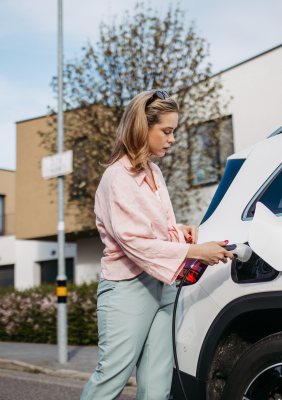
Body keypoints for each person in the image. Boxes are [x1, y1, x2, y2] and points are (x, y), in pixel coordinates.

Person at [80, 90, 234, 400]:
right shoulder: (116, 177)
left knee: (157, 379)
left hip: (162, 282)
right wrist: (196, 251)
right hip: (127, 288)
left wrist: (181, 231)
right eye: (166, 130)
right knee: (113, 376)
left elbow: (156, 229)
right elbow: (134, 241)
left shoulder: (155, 173)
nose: (173, 138)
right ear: (141, 127)